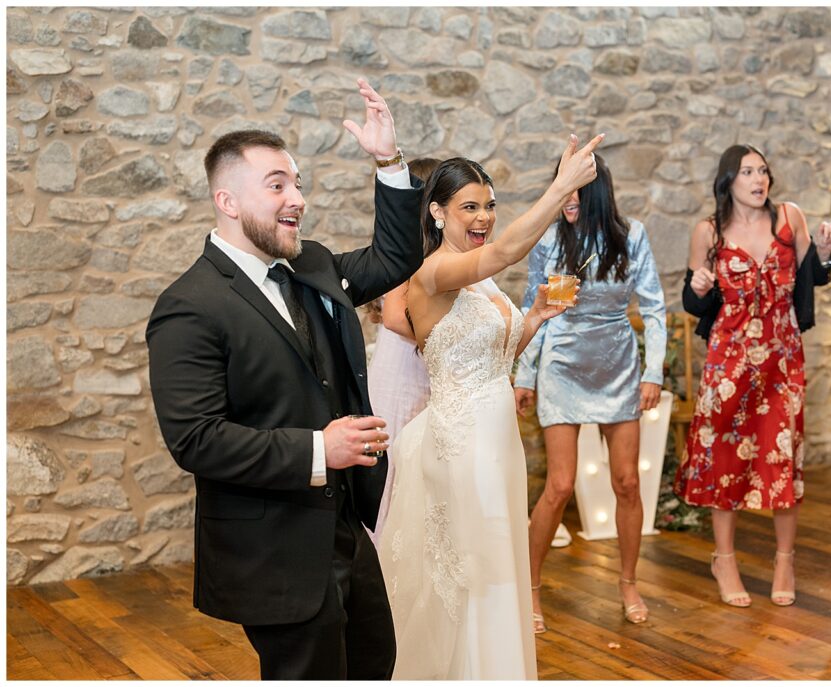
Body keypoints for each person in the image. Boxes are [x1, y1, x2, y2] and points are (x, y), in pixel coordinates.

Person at [146, 80, 423, 680]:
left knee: (375, 665)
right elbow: (195, 439)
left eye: (298, 183)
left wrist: (388, 161)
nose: (297, 198)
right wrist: (322, 449)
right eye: (278, 186)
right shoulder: (189, 306)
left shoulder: (312, 266)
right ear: (228, 200)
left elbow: (397, 258)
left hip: (346, 528)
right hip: (273, 548)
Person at [378, 133, 604, 679]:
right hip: (463, 446)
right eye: (469, 207)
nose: (483, 217)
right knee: (472, 576)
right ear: (436, 212)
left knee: (497, 567)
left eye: (489, 206)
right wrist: (562, 187)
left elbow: (491, 360)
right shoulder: (430, 273)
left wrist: (531, 320)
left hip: (495, 442)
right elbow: (503, 251)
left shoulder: (481, 283)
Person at [673, 144, 831, 607]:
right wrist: (698, 286)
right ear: (728, 180)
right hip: (729, 360)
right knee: (726, 460)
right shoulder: (708, 231)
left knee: (782, 457)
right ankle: (724, 558)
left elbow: (814, 277)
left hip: (783, 358)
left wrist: (823, 253)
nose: (758, 178)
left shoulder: (790, 218)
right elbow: (694, 302)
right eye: (747, 171)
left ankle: (785, 559)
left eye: (763, 170)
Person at [513, 154, 667, 632]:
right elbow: (534, 308)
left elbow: (656, 309)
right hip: (562, 363)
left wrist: (654, 372)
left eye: (577, 186)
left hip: (617, 365)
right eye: (563, 184)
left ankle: (627, 581)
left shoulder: (632, 235)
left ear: (596, 189)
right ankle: (531, 589)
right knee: (559, 485)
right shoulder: (552, 239)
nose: (569, 197)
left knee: (626, 482)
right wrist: (524, 373)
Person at [366, 157, 440, 546]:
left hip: (425, 372)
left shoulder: (442, 252)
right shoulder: (406, 248)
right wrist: (449, 344)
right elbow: (395, 316)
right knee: (396, 473)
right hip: (401, 375)